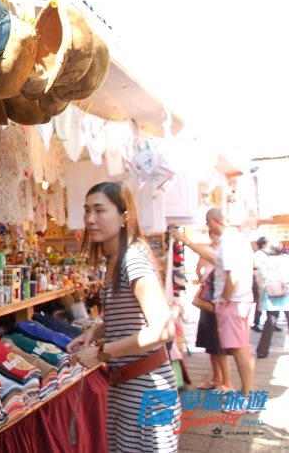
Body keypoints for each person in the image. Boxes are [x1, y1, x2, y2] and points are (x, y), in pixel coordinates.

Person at [67, 181, 179, 451]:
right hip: (128, 387)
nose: (90, 219)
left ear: (124, 216)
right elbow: (132, 316)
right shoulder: (117, 260)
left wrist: (102, 353)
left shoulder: (133, 260)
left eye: (100, 210)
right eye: (87, 210)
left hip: (150, 390)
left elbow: (163, 329)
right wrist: (97, 330)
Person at [206, 207, 256, 403]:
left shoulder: (227, 240)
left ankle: (248, 397)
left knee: (238, 349)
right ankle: (247, 393)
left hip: (233, 301)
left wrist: (223, 300)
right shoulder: (238, 238)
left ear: (213, 220)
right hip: (241, 299)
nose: (208, 226)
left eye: (207, 222)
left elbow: (232, 275)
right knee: (242, 349)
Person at [173, 229, 233, 391]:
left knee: (218, 345)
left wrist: (185, 240)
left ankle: (226, 382)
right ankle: (217, 378)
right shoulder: (210, 251)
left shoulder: (222, 253)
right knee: (212, 344)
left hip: (216, 302)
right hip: (209, 301)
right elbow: (200, 269)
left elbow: (209, 263)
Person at [255, 242, 289, 358]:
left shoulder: (266, 261)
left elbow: (262, 279)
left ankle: (262, 351)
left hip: (271, 295)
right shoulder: (286, 260)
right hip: (287, 294)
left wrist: (260, 300)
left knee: (270, 322)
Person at [251, 237, 269, 332]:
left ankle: (270, 322)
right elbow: (257, 268)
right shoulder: (259, 255)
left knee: (263, 302)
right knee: (260, 302)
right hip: (261, 281)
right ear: (264, 244)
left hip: (264, 280)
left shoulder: (263, 254)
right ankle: (256, 322)